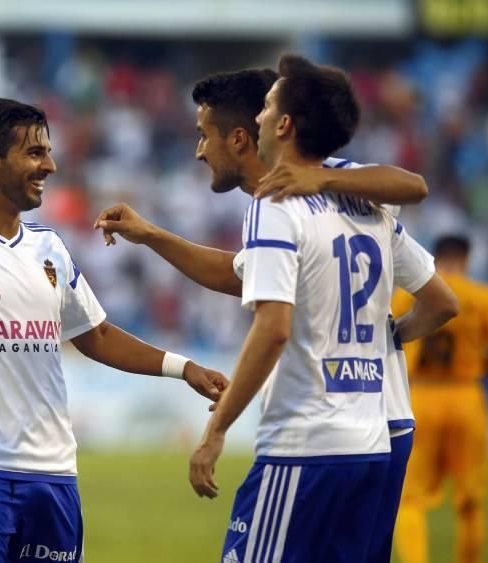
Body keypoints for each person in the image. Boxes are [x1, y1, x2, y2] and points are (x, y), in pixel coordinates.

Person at [95, 66, 439, 562]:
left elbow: (273, 327)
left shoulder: (278, 203)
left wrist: (215, 432)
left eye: (202, 135)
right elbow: (242, 274)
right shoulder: (361, 195)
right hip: (377, 435)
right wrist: (152, 235)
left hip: (308, 441)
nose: (198, 149)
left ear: (262, 130)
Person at [0, 99, 228, 563]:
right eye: (34, 153)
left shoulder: (49, 247)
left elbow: (94, 335)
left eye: (48, 153)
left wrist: (184, 368)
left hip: (54, 472)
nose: (49, 165)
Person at [392, 235, 488, 563]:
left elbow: (386, 338)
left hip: (421, 398)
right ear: (467, 258)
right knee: (470, 500)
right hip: (466, 395)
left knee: (410, 499)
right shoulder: (483, 296)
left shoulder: (408, 296)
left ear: (434, 258)